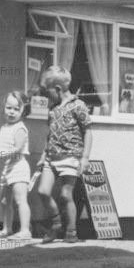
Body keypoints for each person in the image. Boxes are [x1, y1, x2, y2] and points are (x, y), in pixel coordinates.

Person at [37, 66, 92, 244]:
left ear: (58, 89)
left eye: (46, 92)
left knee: (65, 195)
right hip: (52, 157)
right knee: (43, 191)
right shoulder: (53, 109)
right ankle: (55, 223)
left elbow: (88, 132)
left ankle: (71, 231)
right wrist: (44, 153)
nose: (45, 96)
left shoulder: (78, 105)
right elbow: (50, 133)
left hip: (71, 156)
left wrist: (85, 157)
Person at [0, 90, 32, 240]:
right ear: (4, 107)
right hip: (7, 168)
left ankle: (25, 230)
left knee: (20, 200)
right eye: (9, 108)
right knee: (5, 201)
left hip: (19, 167)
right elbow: (2, 149)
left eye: (16, 109)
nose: (12, 112)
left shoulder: (20, 128)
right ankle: (7, 229)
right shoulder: (4, 127)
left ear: (23, 111)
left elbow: (17, 149)